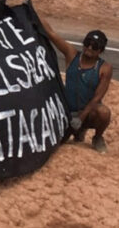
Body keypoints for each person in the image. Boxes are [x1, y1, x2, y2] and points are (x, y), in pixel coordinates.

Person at [40, 19, 111, 153]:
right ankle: (75, 131)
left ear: (100, 50)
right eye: (87, 43)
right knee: (56, 144)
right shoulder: (71, 55)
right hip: (68, 113)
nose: (89, 48)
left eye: (95, 46)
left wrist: (81, 118)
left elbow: (97, 97)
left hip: (88, 114)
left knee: (104, 112)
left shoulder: (104, 68)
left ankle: (97, 137)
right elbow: (51, 33)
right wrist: (31, 10)